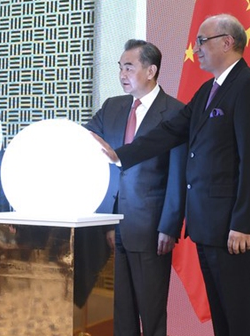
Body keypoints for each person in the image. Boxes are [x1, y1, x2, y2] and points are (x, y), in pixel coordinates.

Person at [93, 14, 250, 336]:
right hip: (208, 226)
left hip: (235, 229)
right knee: (223, 316)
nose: (197, 49)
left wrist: (244, 223)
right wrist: (120, 154)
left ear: (227, 42)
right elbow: (170, 131)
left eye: (202, 41)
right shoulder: (209, 90)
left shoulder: (249, 86)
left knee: (242, 317)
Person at [85, 39, 187, 336]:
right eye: (120, 67)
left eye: (129, 67)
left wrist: (169, 226)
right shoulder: (113, 107)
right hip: (114, 224)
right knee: (122, 310)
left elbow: (178, 175)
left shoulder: (175, 113)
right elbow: (90, 145)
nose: (122, 74)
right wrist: (105, 217)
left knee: (152, 310)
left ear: (151, 70)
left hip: (152, 227)